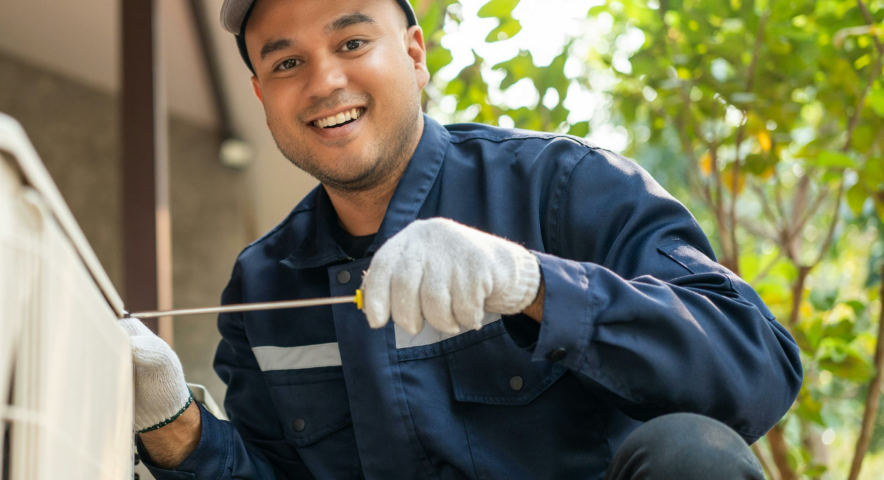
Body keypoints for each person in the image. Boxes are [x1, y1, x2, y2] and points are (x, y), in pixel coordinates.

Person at [117, 0, 803, 478]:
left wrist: (534, 284)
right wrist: (173, 424)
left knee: (690, 450)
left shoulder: (562, 187)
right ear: (262, 95)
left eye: (352, 43)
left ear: (415, 55)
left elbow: (756, 368)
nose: (325, 82)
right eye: (287, 63)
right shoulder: (264, 283)